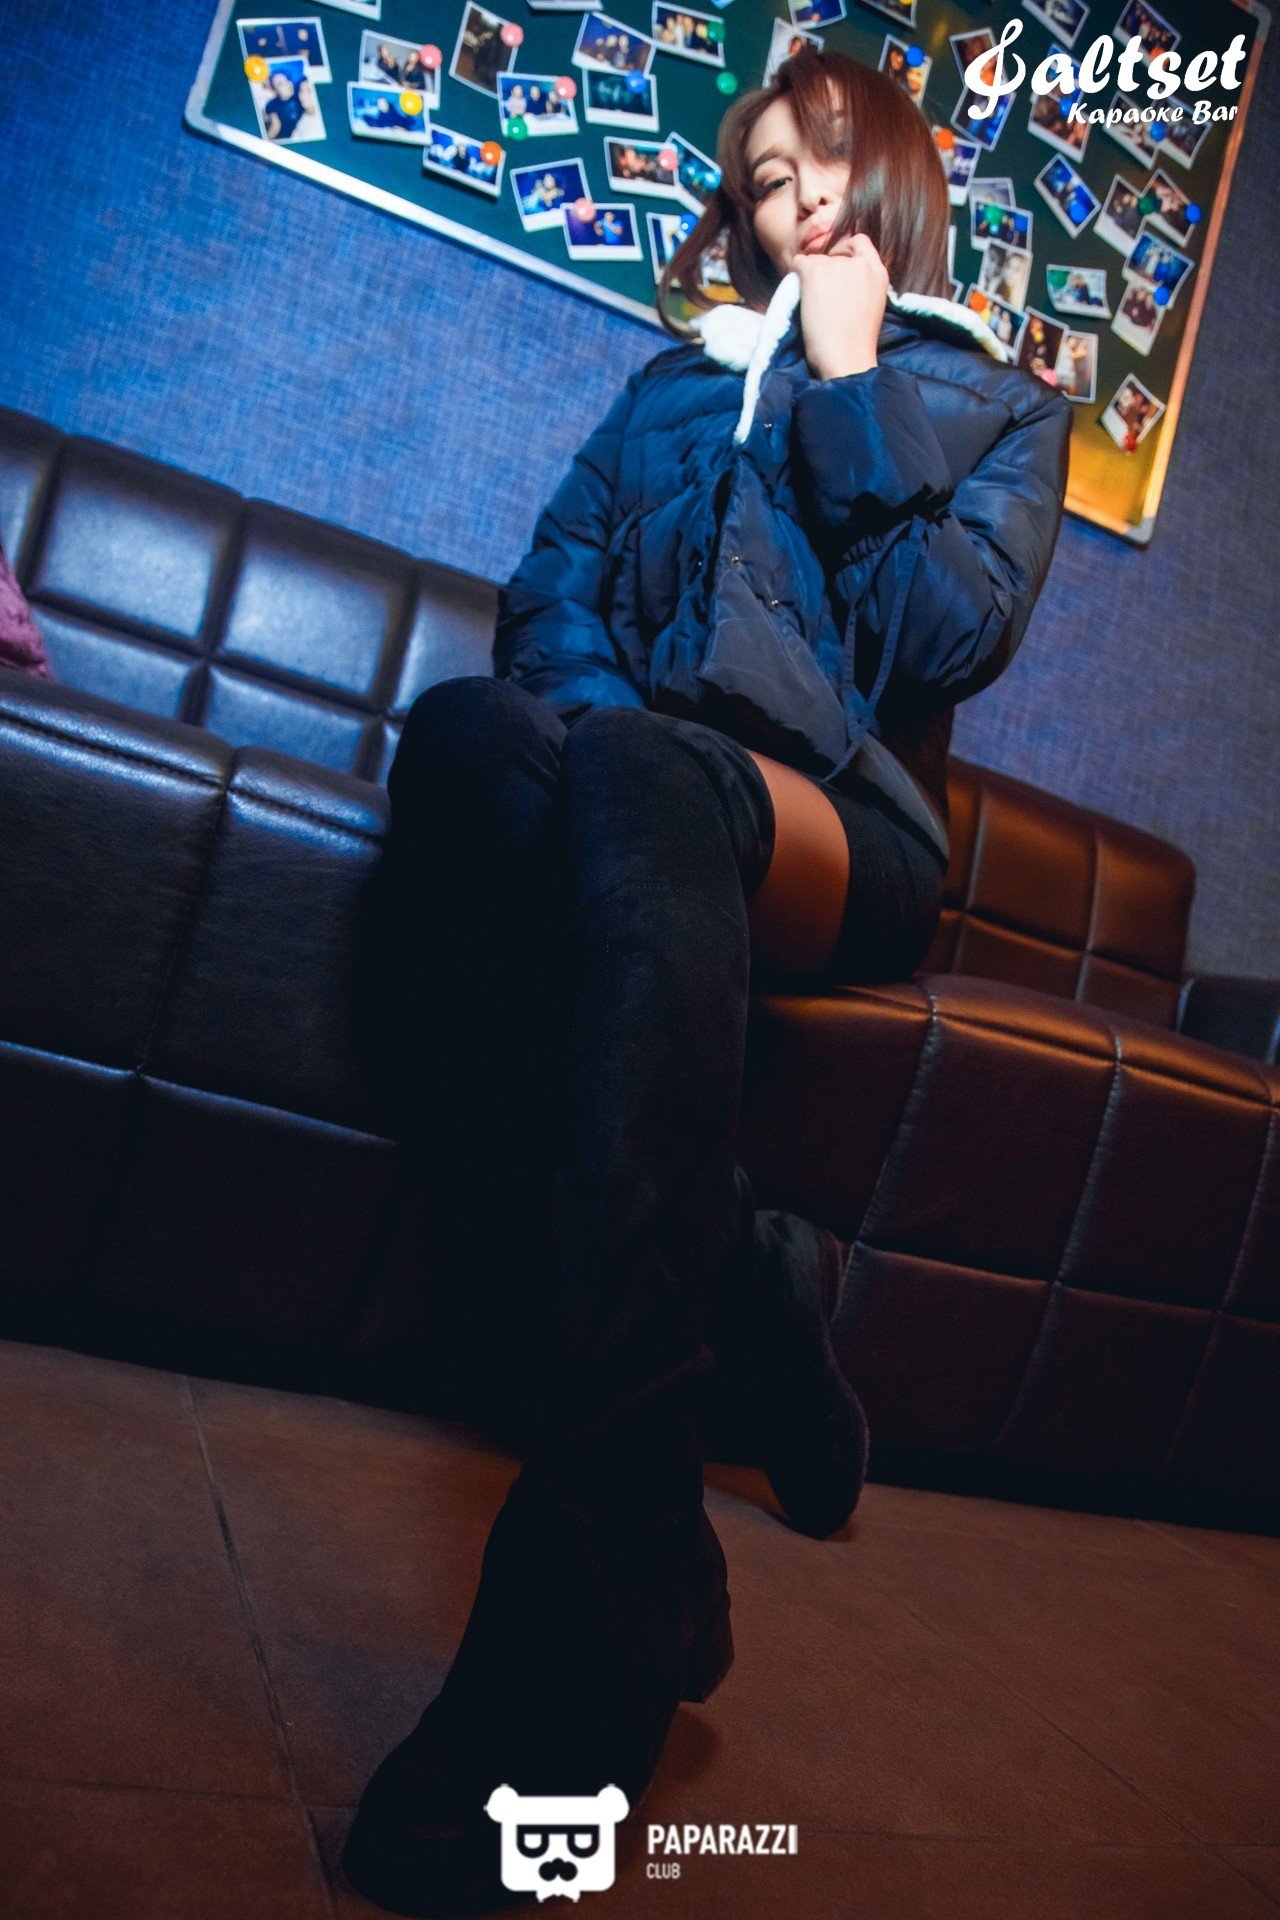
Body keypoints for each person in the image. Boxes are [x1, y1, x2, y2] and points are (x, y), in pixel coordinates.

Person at [342, 44, 1071, 1918]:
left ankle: (578, 1622)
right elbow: (552, 588)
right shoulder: (669, 384)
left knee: (649, 779)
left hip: (837, 826)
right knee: (466, 740)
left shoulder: (992, 403)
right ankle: (722, 1310)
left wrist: (849, 379)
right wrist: (596, 737)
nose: (791, 196)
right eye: (758, 177)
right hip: (636, 788)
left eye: (820, 159)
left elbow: (941, 640)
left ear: (888, 178)